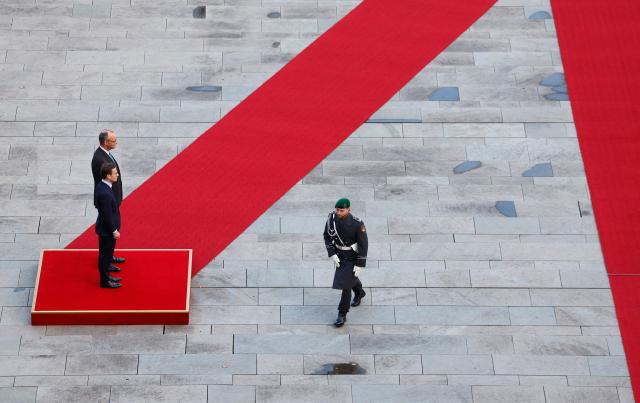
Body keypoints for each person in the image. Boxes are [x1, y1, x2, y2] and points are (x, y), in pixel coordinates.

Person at [323, 198, 368, 327]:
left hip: (352, 256)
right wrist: (331, 253)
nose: (338, 212)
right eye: (337, 210)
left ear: (349, 209)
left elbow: (363, 244)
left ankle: (342, 314)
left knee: (345, 286)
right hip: (339, 255)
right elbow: (326, 236)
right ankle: (359, 292)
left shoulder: (357, 224)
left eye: (341, 210)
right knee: (349, 278)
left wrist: (360, 264)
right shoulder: (331, 219)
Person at [91, 129, 125, 265]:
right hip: (107, 200)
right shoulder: (100, 159)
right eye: (113, 141)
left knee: (110, 227)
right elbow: (104, 184)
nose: (116, 142)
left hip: (111, 198)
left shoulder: (105, 154)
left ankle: (108, 257)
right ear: (106, 142)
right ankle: (106, 261)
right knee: (109, 230)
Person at [95, 163, 122, 289]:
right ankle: (105, 281)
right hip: (107, 231)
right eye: (115, 173)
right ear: (108, 176)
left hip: (106, 229)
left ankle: (107, 274)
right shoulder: (105, 193)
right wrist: (114, 231)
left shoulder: (104, 186)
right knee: (105, 256)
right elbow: (107, 215)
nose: (117, 174)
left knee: (106, 254)